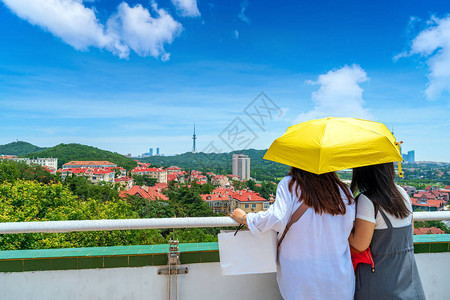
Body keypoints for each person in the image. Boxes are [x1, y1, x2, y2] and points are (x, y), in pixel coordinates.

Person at [230, 167, 355, 300]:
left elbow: (276, 218)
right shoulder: (343, 190)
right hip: (339, 278)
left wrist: (246, 219)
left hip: (301, 280)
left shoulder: (290, 185)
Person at [349, 162, 425, 299]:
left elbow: (360, 244)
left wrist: (343, 227)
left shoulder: (368, 200)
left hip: (378, 283)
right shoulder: (402, 194)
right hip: (408, 282)